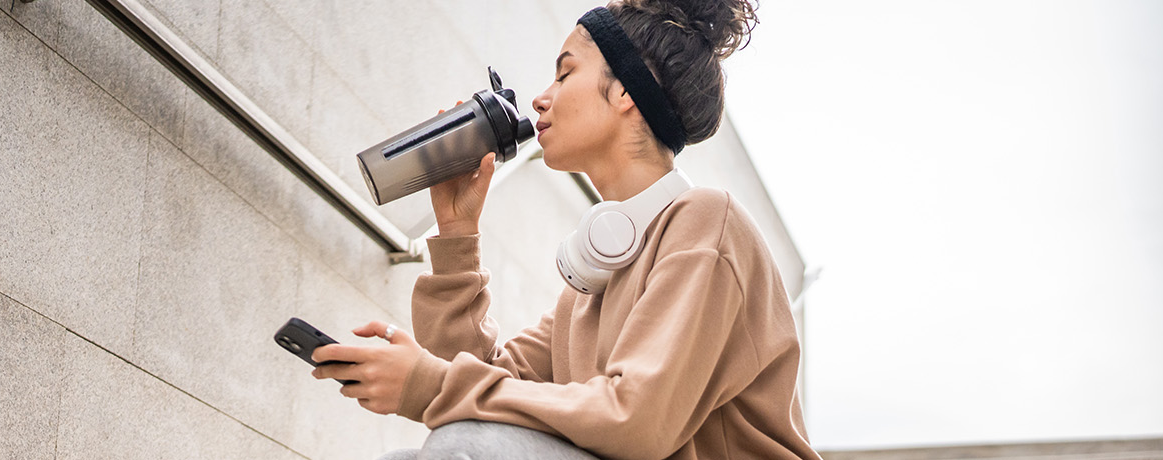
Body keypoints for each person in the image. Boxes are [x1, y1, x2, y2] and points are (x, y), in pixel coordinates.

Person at [309, 0, 820, 458]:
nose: (539, 99)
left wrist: (428, 384)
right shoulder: (591, 286)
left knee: (465, 446)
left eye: (564, 74)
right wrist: (457, 234)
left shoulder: (707, 224)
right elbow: (489, 385)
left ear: (624, 90)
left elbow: (638, 422)